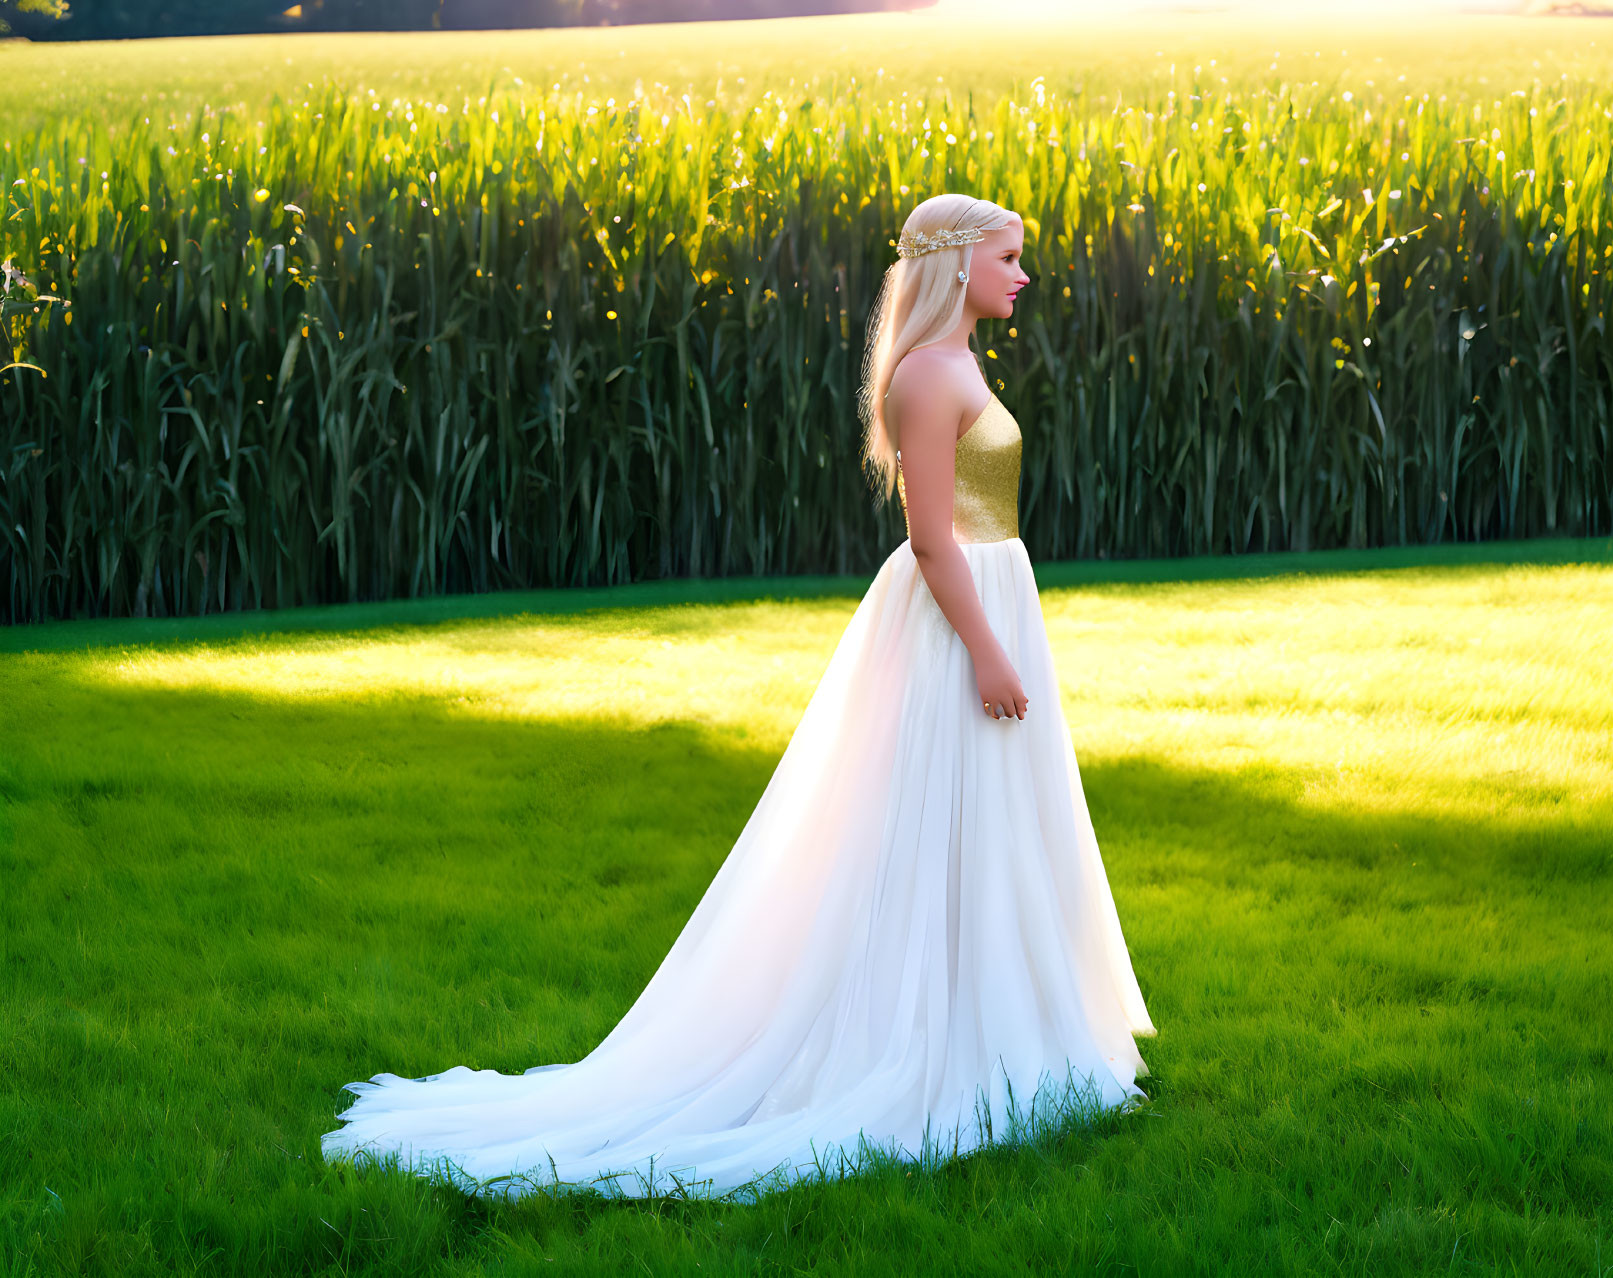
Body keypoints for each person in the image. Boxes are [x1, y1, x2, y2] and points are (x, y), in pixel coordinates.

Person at [320, 192, 1158, 1203]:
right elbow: (933, 534)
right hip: (960, 612)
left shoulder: (956, 362)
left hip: (988, 596)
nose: (1022, 276)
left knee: (986, 826)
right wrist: (985, 649)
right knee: (942, 818)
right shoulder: (931, 376)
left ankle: (999, 1020)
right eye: (1008, 258)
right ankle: (943, 1040)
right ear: (954, 266)